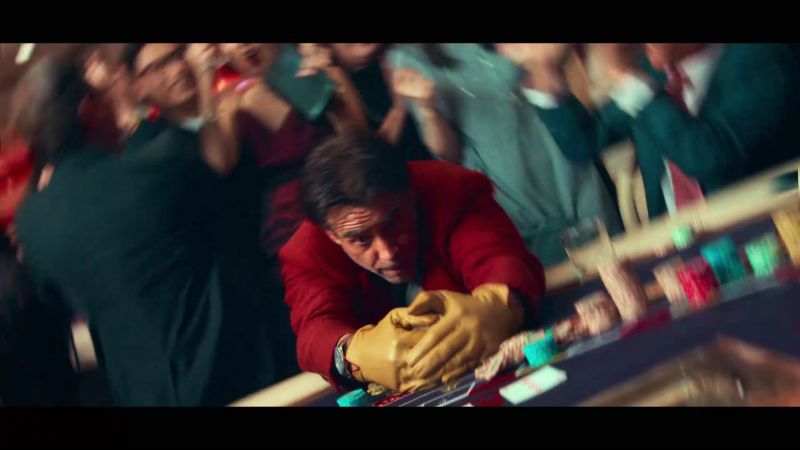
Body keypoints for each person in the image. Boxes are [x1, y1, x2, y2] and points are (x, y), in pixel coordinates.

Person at [11, 54, 280, 406]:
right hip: (234, 373)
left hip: (139, 392)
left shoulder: (31, 221)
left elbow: (58, 304)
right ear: (88, 109)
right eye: (103, 99)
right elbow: (233, 197)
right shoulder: (158, 169)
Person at [279, 131, 545, 392]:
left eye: (393, 223)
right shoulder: (306, 251)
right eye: (360, 239)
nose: (387, 253)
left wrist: (502, 304)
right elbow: (315, 330)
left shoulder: (450, 188)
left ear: (410, 195)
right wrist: (352, 355)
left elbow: (499, 259)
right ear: (332, 235)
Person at [387, 44, 622, 267]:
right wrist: (427, 109)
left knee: (615, 257)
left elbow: (558, 65)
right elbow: (448, 153)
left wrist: (548, 64)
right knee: (565, 277)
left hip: (561, 157)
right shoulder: (406, 57)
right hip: (512, 187)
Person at [519, 43, 800, 218]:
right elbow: (585, 141)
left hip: (760, 232)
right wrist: (546, 75)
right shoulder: (657, 70)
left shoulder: (766, 58)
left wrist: (633, 85)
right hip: (674, 244)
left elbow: (709, 158)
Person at [297, 43, 432, 161]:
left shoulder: (395, 58)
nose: (367, 47)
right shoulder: (323, 85)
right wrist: (399, 106)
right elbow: (367, 156)